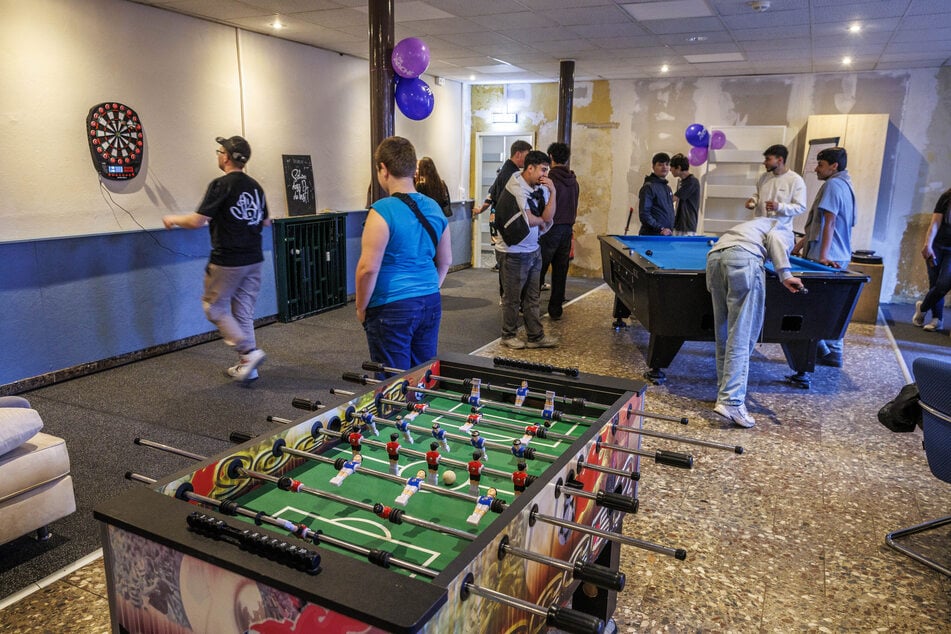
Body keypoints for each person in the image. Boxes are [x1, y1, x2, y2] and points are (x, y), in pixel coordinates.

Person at [162, 135, 270, 383]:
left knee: (214, 307)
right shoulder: (255, 186)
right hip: (254, 258)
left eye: (220, 151)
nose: (218, 154)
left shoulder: (221, 185)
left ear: (227, 156)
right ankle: (249, 366)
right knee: (242, 311)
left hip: (228, 260)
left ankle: (249, 351)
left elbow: (197, 220)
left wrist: (172, 219)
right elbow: (265, 221)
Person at [356, 136, 452, 374]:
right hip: (430, 300)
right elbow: (446, 260)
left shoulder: (381, 211)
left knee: (393, 383)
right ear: (412, 169)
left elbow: (368, 268)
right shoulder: (434, 208)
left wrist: (360, 307)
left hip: (391, 305)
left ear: (383, 169)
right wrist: (428, 287)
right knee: (422, 377)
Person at [707, 217, 805, 428]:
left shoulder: (759, 222)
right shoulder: (785, 227)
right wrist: (785, 273)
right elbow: (777, 238)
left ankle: (724, 393)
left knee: (724, 333)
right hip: (744, 258)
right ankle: (732, 401)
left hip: (715, 258)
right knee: (742, 332)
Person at [793, 147, 855, 367]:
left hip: (828, 256)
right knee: (828, 305)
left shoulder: (833, 185)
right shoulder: (846, 184)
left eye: (820, 165)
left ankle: (826, 351)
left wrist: (822, 256)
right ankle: (829, 350)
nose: (816, 169)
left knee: (814, 306)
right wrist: (800, 244)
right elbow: (819, 225)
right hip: (838, 253)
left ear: (833, 166)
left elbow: (830, 221)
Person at [493, 150, 558, 349]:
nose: (545, 175)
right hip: (513, 253)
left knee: (533, 297)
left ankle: (535, 336)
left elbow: (549, 214)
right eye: (543, 170)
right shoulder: (516, 188)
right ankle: (508, 335)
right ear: (530, 168)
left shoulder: (540, 187)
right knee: (512, 299)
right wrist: (542, 220)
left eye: (547, 170)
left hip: (533, 249)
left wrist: (553, 191)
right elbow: (531, 219)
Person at [475, 140, 532, 286]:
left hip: (499, 218)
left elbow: (491, 194)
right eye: (527, 155)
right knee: (508, 261)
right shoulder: (512, 174)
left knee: (505, 259)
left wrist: (481, 209)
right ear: (518, 154)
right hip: (507, 220)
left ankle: (506, 294)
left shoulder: (507, 170)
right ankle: (506, 295)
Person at [538, 142, 579, 320]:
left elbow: (543, 204)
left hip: (550, 229)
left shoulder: (549, 180)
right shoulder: (574, 181)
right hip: (567, 230)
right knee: (560, 270)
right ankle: (556, 310)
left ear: (551, 157)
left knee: (538, 268)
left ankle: (529, 305)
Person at [912, 187, 951, 333]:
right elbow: (935, 223)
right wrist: (928, 245)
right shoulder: (946, 198)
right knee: (934, 283)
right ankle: (937, 320)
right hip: (937, 246)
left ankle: (922, 308)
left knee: (943, 285)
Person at [744, 144, 807, 231]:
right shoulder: (763, 177)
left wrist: (779, 207)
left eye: (768, 159)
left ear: (780, 160)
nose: (764, 162)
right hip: (759, 227)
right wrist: (753, 200)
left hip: (780, 230)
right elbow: (759, 194)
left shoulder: (795, 180)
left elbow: (800, 207)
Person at [638, 152, 674, 236]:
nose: (664, 167)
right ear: (653, 167)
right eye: (660, 164)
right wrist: (660, 228)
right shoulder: (648, 187)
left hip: (666, 237)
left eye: (667, 164)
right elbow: (644, 214)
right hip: (651, 236)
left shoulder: (667, 188)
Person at [670, 153, 700, 235]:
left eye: (671, 167)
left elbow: (672, 199)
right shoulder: (681, 182)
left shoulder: (692, 182)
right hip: (679, 223)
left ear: (679, 168)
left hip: (687, 226)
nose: (670, 170)